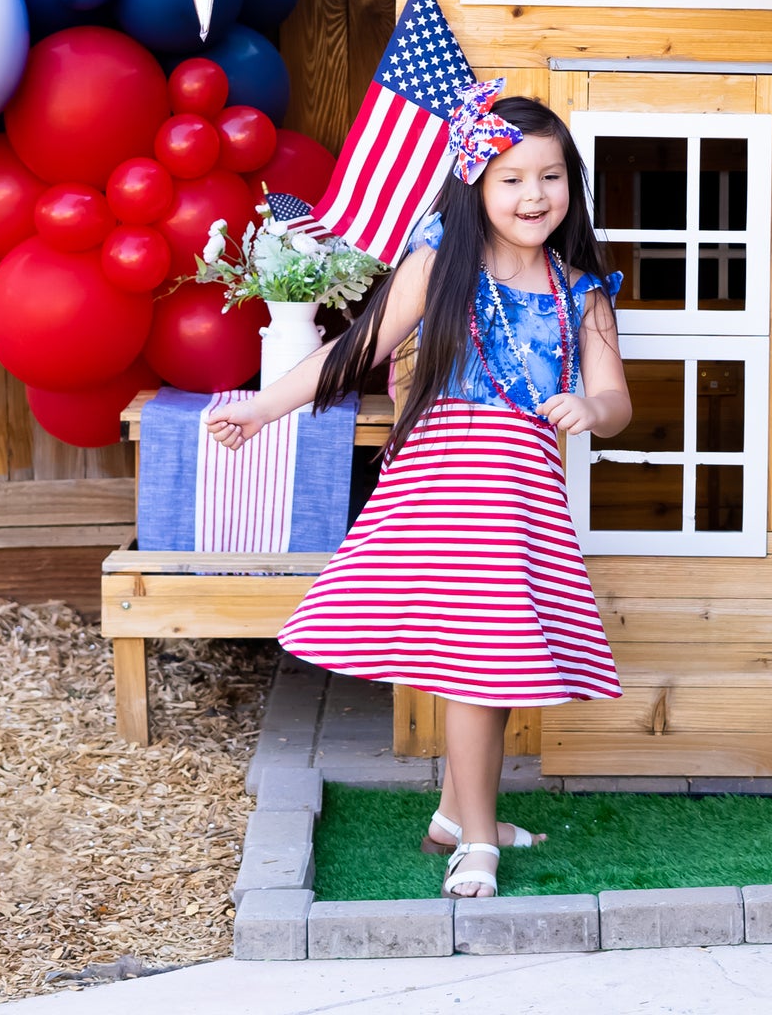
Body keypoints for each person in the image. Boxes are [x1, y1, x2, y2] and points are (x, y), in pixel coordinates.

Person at [207, 89, 630, 898]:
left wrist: (591, 408)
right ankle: (478, 841)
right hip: (444, 490)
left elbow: (617, 400)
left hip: (523, 499)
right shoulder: (439, 268)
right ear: (475, 182)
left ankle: (452, 814)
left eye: (550, 177)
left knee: (498, 666)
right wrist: (261, 408)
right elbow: (357, 347)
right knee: (482, 664)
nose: (533, 195)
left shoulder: (583, 292)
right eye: (511, 179)